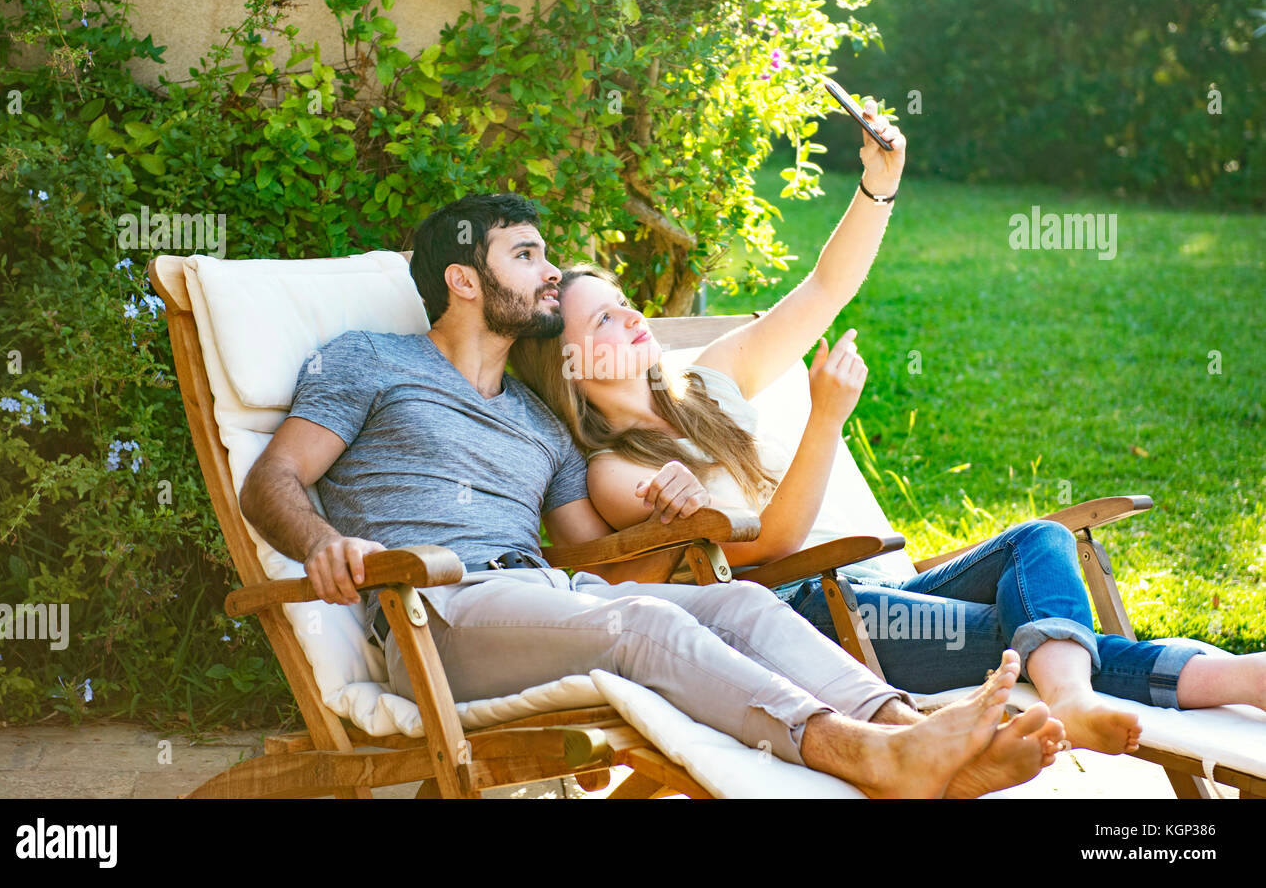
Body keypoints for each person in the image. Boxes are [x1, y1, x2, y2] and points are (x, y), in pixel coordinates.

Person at [239, 190, 1065, 798]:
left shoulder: (541, 421)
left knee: (738, 605)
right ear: (462, 279)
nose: (550, 268)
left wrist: (670, 507)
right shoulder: (371, 362)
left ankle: (911, 732)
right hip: (435, 612)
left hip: (546, 594)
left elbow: (584, 550)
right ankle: (858, 753)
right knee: (645, 621)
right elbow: (271, 479)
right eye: (524, 254)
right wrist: (324, 545)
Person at [509, 101, 1266, 757]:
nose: (634, 314)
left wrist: (880, 183)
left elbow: (825, 288)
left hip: (873, 586)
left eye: (623, 299)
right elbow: (769, 545)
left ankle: (1100, 692)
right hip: (810, 615)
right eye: (604, 316)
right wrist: (825, 419)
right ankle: (1218, 680)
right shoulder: (611, 469)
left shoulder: (708, 379)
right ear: (568, 363)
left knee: (1040, 542)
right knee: (1028, 628)